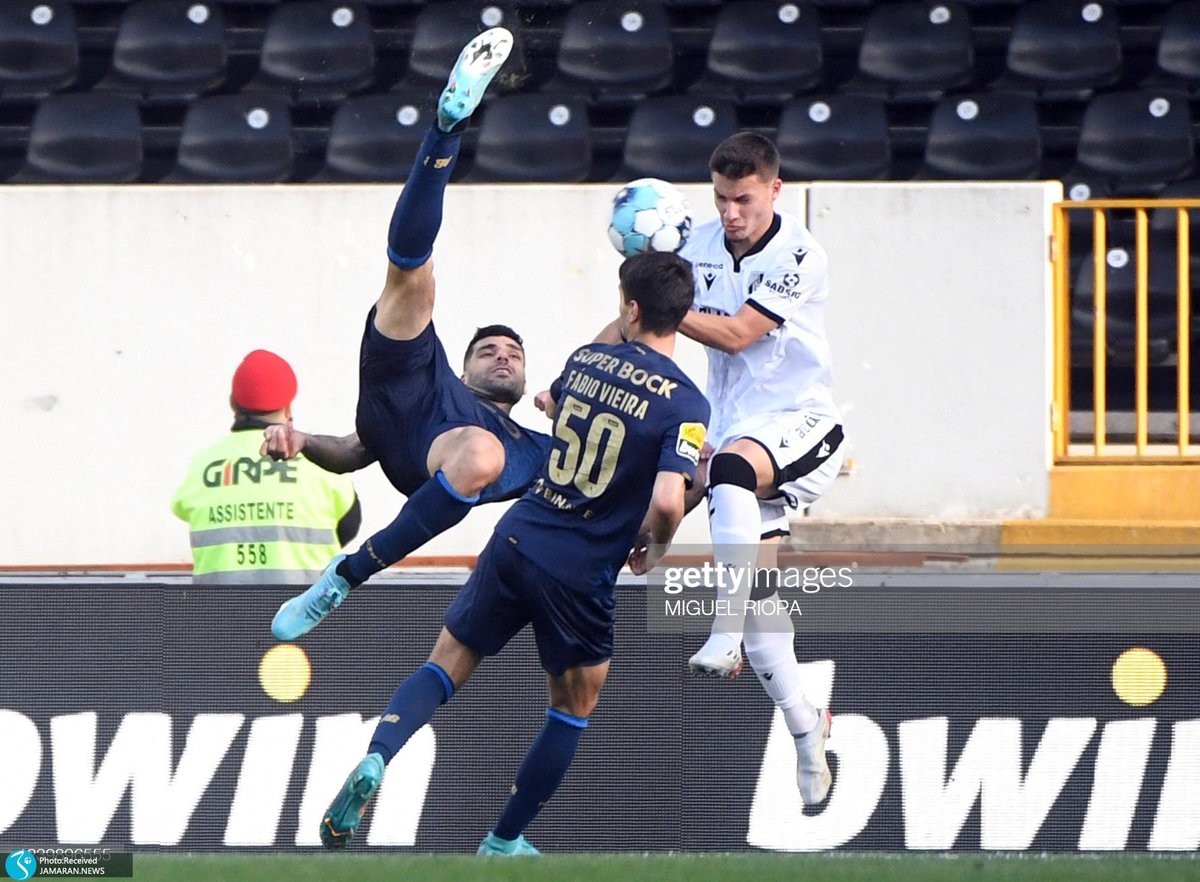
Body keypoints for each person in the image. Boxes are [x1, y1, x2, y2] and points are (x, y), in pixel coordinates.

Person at [318, 250, 709, 856]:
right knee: (573, 705)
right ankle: (503, 839)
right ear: (681, 317)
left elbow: (561, 402)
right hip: (580, 570)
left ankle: (378, 755)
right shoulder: (687, 404)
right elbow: (665, 499)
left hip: (519, 536)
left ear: (630, 308)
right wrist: (656, 547)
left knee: (444, 664)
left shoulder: (585, 362)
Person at [268, 27, 553, 640]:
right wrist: (303, 440)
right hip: (409, 391)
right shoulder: (445, 379)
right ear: (467, 369)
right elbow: (354, 449)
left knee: (483, 453)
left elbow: (617, 471)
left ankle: (345, 576)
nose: (502, 357)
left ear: (527, 375)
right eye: (488, 351)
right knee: (414, 277)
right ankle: (448, 127)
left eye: (513, 353)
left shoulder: (536, 449)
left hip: (444, 454)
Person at [676, 132, 847, 806]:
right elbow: (633, 321)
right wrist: (581, 369)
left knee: (728, 471)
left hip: (800, 422)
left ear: (775, 190)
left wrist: (664, 304)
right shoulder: (696, 244)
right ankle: (808, 730)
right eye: (720, 198)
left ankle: (722, 629)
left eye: (743, 199)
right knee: (763, 606)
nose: (730, 213)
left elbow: (737, 334)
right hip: (734, 430)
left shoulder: (799, 253)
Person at [171, 349, 361, 584]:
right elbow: (349, 526)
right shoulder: (321, 462)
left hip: (220, 606)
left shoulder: (202, 466)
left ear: (232, 404)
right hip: (306, 606)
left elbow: (183, 511)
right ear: (288, 408)